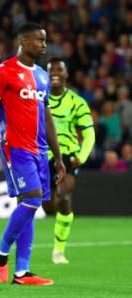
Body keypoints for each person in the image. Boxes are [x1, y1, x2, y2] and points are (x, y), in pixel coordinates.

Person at [0, 22, 66, 287]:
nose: (44, 45)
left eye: (45, 40)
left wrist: (57, 156)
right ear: (24, 41)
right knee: (33, 200)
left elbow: (46, 117)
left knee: (28, 206)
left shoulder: (42, 76)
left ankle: (22, 272)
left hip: (40, 151)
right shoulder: (3, 73)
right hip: (16, 148)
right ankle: (1, 253)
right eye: (40, 40)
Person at [42, 58, 95, 264]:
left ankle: (58, 251)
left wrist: (81, 157)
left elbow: (89, 134)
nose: (55, 72)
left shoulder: (77, 102)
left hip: (67, 157)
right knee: (48, 206)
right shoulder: (39, 99)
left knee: (63, 197)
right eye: (51, 70)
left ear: (66, 75)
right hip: (41, 156)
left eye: (59, 69)